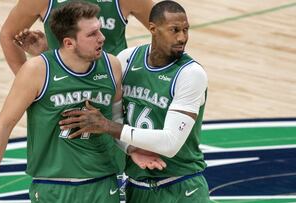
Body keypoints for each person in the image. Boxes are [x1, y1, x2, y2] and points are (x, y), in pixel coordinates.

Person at [0, 2, 164, 203]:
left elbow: (118, 119)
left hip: (103, 181)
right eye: (92, 34)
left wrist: (131, 149)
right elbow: (3, 125)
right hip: (53, 184)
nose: (102, 38)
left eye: (100, 30)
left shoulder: (112, 66)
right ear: (69, 43)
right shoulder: (36, 72)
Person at [59, 1, 210, 202]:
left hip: (181, 186)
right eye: (174, 30)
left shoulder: (191, 74)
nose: (182, 37)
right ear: (153, 29)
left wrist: (106, 126)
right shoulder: (127, 59)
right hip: (136, 187)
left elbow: (170, 143)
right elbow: (114, 114)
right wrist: (130, 148)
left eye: (185, 30)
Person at [0, 0, 154, 75]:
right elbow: (8, 35)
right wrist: (26, 82)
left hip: (112, 87)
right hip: (61, 88)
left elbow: (165, 30)